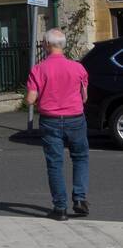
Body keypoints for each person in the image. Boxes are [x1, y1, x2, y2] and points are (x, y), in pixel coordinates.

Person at [26, 26, 89, 221]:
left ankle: (60, 208)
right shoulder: (78, 68)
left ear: (46, 44)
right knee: (80, 157)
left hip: (50, 120)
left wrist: (39, 98)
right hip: (76, 118)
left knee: (55, 164)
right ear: (63, 45)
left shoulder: (38, 69)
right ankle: (79, 198)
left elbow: (30, 99)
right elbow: (84, 97)